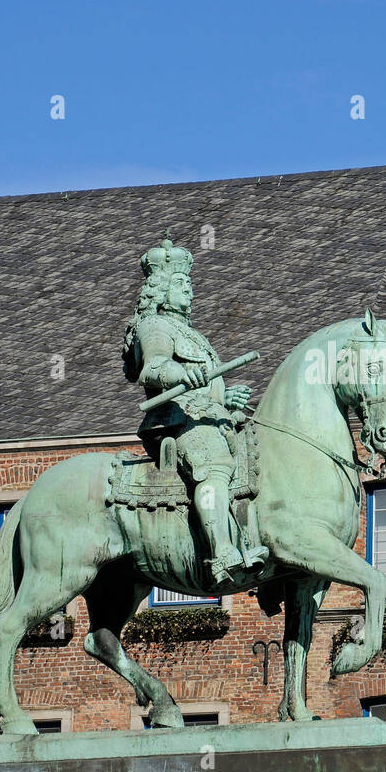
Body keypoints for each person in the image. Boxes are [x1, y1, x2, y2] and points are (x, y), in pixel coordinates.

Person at [121, 238, 267, 586]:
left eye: (190, 284)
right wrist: (179, 373)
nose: (189, 291)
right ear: (162, 289)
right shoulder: (155, 327)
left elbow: (206, 387)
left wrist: (226, 398)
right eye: (182, 284)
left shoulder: (194, 334)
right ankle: (222, 555)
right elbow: (152, 368)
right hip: (177, 423)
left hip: (210, 418)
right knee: (214, 465)